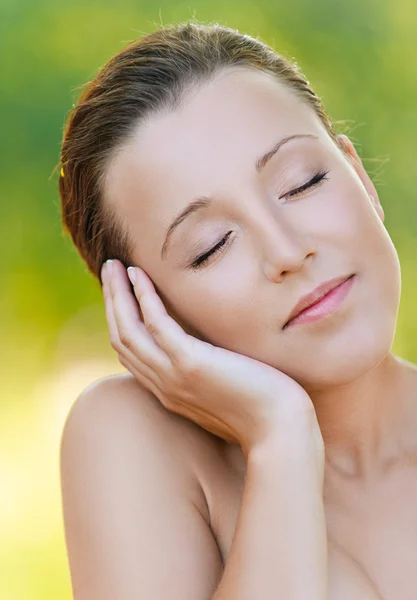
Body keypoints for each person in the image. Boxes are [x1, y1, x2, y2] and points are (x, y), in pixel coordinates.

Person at [57, 21, 417, 600]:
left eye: (304, 182)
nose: (286, 250)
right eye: (211, 246)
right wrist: (281, 439)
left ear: (360, 178)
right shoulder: (131, 434)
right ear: (147, 309)